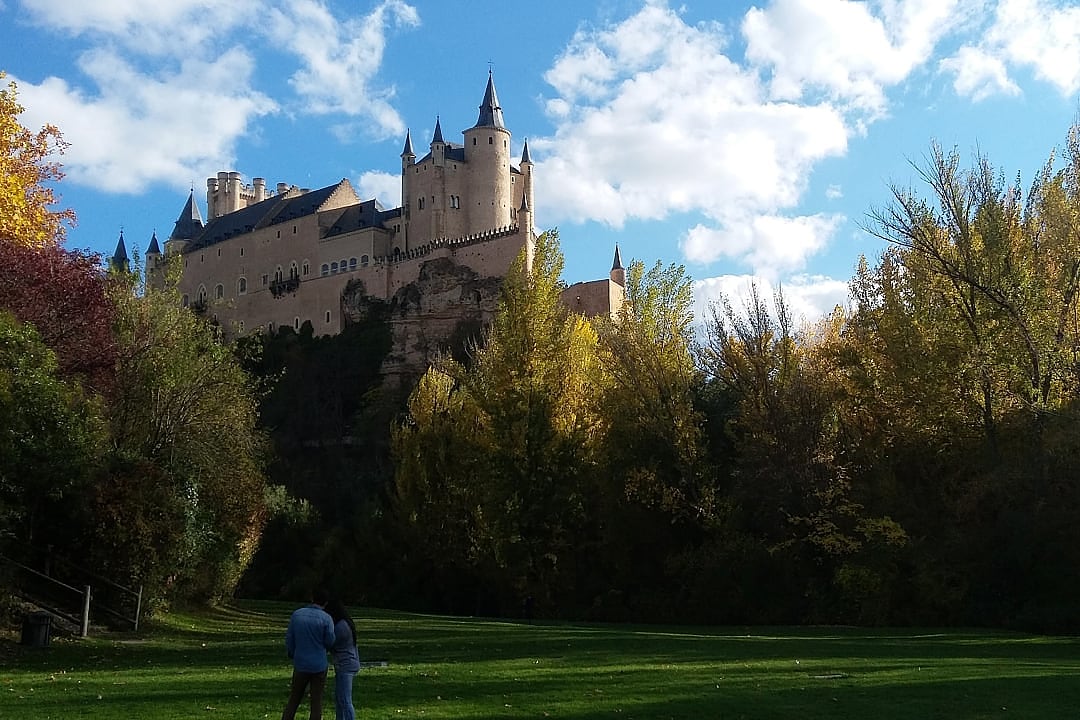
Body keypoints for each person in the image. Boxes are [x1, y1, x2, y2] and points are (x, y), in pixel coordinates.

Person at [281, 588, 336, 720]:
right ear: (326, 603)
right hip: (319, 665)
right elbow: (330, 641)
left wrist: (292, 653)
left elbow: (290, 638)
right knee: (316, 702)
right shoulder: (326, 619)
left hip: (301, 663)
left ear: (312, 598)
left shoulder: (297, 615)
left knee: (294, 699)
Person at [326, 598, 361, 720]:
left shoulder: (341, 627)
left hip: (345, 665)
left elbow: (330, 642)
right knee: (340, 698)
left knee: (345, 700)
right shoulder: (346, 623)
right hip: (348, 663)